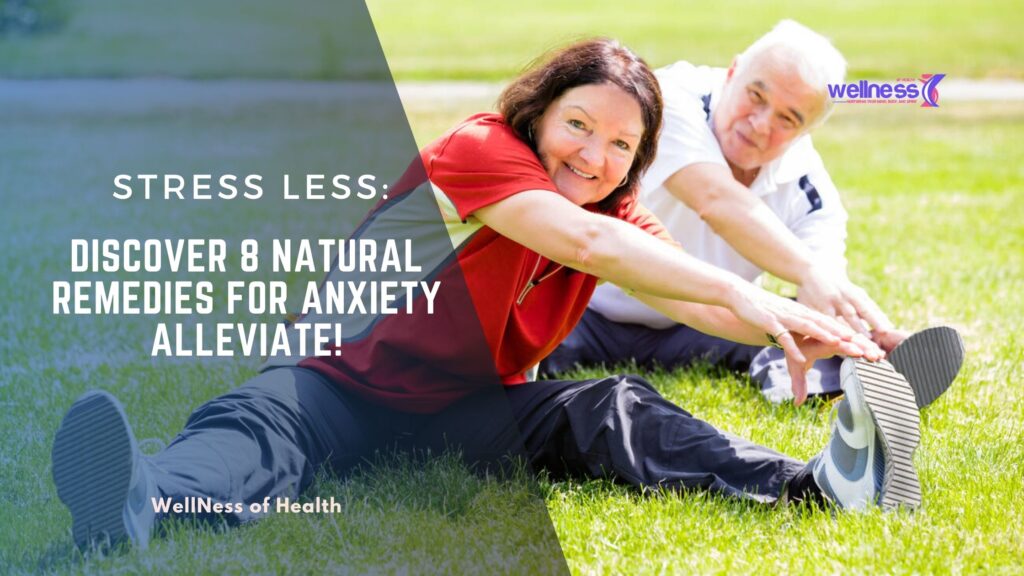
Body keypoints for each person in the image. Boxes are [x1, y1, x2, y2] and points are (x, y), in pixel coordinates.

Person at [51, 38, 925, 554]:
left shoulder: (612, 207)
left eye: (622, 146)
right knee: (250, 431)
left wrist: (803, 329)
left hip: (465, 407)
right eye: (579, 125)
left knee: (613, 406)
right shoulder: (481, 151)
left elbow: (685, 296)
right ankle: (142, 495)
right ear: (540, 112)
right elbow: (587, 243)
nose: (594, 155)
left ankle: (815, 487)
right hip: (333, 385)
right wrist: (766, 301)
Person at [541, 21, 964, 404]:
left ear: (808, 131)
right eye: (756, 96)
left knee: (788, 328)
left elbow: (822, 286)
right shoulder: (662, 99)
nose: (761, 124)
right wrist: (809, 272)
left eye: (788, 118)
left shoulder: (811, 192)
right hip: (582, 308)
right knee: (515, 335)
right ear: (732, 71)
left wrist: (864, 333)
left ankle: (868, 372)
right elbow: (716, 199)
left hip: (702, 325)